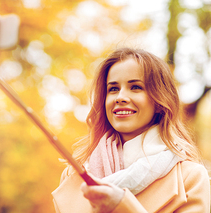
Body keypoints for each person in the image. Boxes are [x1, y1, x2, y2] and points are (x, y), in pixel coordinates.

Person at [52, 48, 210, 213]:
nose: (120, 97)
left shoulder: (190, 177)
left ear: (160, 101)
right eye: (113, 89)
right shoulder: (74, 174)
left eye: (135, 87)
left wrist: (122, 206)